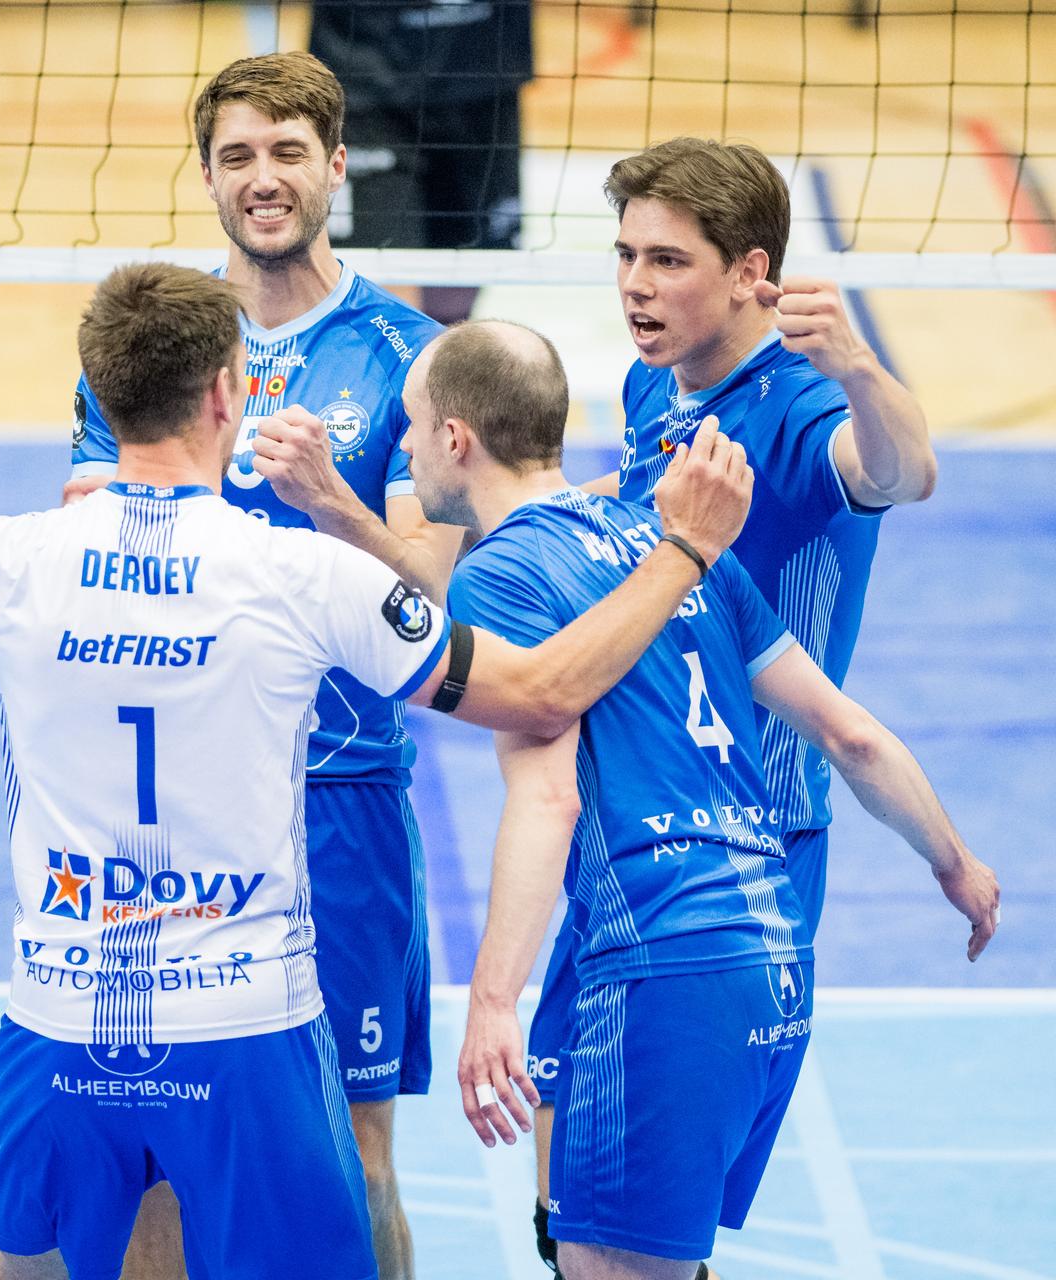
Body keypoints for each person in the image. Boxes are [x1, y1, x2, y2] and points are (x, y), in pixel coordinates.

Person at [0, 260, 757, 1280]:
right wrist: (682, 551)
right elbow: (540, 690)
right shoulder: (305, 576)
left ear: (100, 402)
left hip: (61, 1026)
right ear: (226, 391)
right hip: (246, 1032)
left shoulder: (9, 557)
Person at [409, 319, 998, 1279]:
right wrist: (955, 862)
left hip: (661, 963)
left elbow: (548, 796)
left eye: (413, 426)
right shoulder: (687, 549)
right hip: (773, 959)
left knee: (600, 1264)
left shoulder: (501, 576)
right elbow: (848, 733)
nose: (404, 446)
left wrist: (491, 1003)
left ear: (458, 439)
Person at [66, 52, 460, 1277]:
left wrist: (328, 498)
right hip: (178, 802)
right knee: (159, 1146)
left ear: (337, 166)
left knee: (355, 1147)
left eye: (288, 151)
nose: (264, 178)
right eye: (238, 156)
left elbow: (428, 595)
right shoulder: (153, 338)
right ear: (208, 177)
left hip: (338, 798)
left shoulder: (411, 351)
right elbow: (89, 533)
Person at [523, 136, 943, 1276]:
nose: (634, 285)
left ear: (752, 270)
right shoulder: (653, 379)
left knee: (649, 1222)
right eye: (624, 255)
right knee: (566, 1173)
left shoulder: (806, 419)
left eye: (667, 260)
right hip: (635, 826)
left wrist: (859, 363)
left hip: (746, 844)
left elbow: (901, 474)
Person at [310, 0, 534, 324]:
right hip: (365, 72)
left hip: (483, 73)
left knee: (457, 291)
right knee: (382, 290)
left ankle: (439, 371)